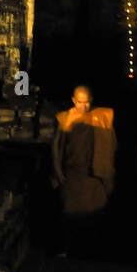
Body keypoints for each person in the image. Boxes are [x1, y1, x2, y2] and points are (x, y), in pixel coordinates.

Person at [52, 85, 116, 257]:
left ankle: (93, 249)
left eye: (87, 102)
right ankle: (66, 248)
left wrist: (106, 169)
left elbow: (111, 144)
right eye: (80, 102)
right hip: (72, 173)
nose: (84, 106)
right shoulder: (65, 118)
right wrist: (58, 171)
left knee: (96, 209)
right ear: (73, 100)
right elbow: (57, 147)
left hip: (94, 173)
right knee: (69, 212)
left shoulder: (100, 117)